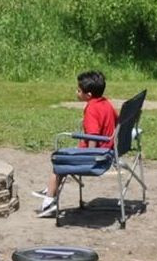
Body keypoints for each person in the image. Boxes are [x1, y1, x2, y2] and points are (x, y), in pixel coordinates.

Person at [35, 70, 116, 217]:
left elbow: (93, 136)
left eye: (79, 90)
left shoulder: (91, 108)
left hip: (96, 157)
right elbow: (116, 121)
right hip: (108, 151)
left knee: (58, 161)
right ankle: (50, 190)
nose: (76, 92)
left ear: (88, 95)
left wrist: (88, 156)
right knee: (65, 158)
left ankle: (49, 203)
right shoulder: (106, 103)